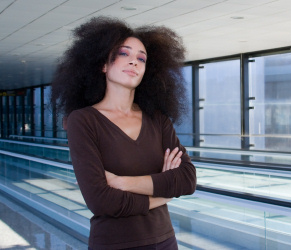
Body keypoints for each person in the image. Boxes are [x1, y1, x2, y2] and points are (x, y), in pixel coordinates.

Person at [51, 16, 197, 250]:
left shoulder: (157, 119)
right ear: (103, 64)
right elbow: (101, 201)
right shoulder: (84, 121)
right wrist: (164, 192)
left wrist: (122, 182)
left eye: (141, 58)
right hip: (115, 244)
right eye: (123, 54)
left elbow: (187, 180)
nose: (134, 62)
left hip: (165, 241)